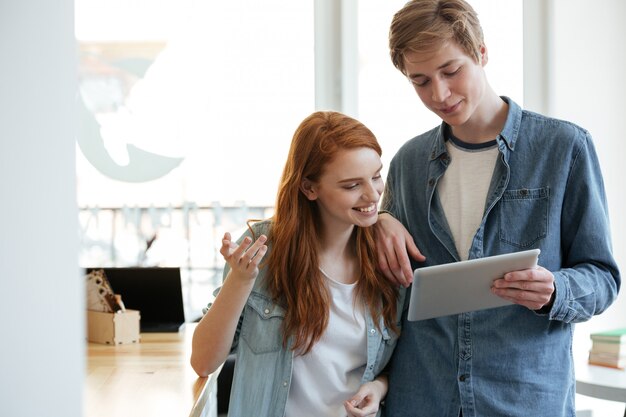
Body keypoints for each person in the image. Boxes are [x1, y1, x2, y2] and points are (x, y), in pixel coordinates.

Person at [374, 1, 621, 416]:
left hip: (524, 398)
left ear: (482, 52)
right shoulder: (406, 164)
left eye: (451, 71)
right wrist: (376, 221)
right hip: (422, 397)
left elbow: (603, 277)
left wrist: (556, 290)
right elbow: (383, 287)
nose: (440, 94)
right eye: (420, 81)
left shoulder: (564, 149)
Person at [191, 111, 403, 417]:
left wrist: (380, 386)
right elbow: (203, 361)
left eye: (376, 176)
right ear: (309, 188)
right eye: (351, 185)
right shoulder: (262, 247)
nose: (372, 195)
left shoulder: (386, 255)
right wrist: (239, 281)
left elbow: (406, 359)